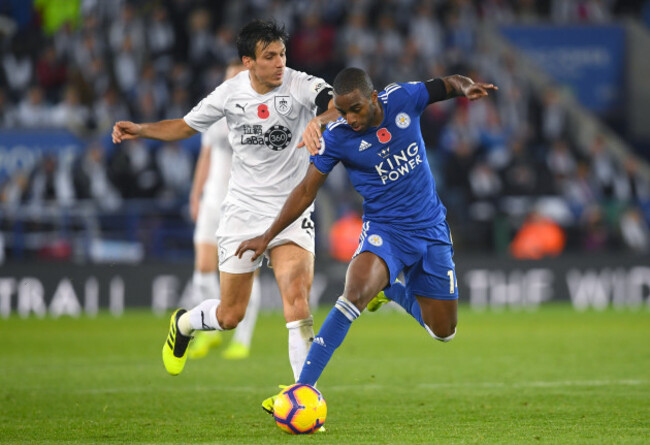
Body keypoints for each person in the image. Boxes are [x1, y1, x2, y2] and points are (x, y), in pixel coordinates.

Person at [235, 67, 497, 413]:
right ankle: (301, 389)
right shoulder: (338, 138)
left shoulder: (403, 98)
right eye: (342, 112)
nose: (350, 119)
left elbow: (447, 84)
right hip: (385, 232)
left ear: (372, 98)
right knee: (353, 296)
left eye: (355, 109)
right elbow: (305, 191)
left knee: (444, 332)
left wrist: (467, 88)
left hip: (431, 230)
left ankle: (391, 291)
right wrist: (268, 236)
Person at [112, 20, 339, 380]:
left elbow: (336, 104)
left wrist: (320, 121)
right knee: (230, 315)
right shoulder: (229, 93)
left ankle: (303, 392)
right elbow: (186, 125)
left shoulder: (300, 83)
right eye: (270, 56)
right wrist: (141, 130)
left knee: (297, 299)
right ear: (248, 62)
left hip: (292, 209)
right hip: (243, 211)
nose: (280, 62)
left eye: (282, 54)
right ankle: (184, 324)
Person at [187, 61, 260, 360]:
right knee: (202, 268)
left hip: (243, 205)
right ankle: (208, 333)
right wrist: (195, 194)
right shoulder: (214, 112)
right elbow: (205, 156)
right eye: (229, 78)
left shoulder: (260, 117)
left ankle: (242, 340)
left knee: (244, 272)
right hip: (212, 201)